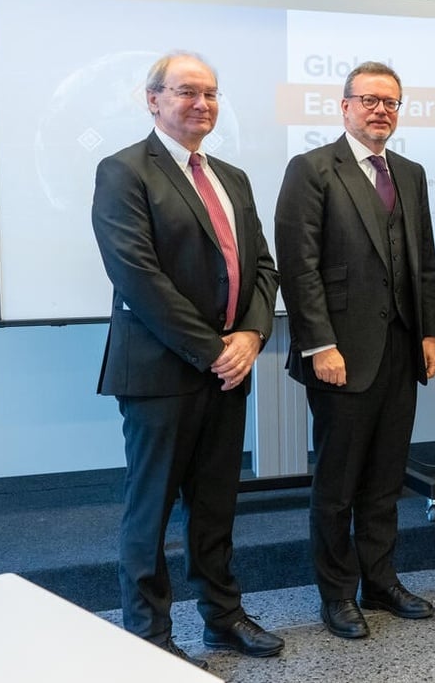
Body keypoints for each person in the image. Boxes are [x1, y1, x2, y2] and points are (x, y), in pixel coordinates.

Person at [91, 52, 284, 668]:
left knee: (216, 506)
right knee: (149, 512)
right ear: (153, 99)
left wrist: (251, 337)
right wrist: (212, 351)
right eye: (186, 92)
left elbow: (261, 267)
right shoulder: (123, 171)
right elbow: (137, 277)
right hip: (161, 372)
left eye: (211, 93)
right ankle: (147, 636)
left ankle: (222, 618)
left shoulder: (232, 176)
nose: (202, 104)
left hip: (230, 365)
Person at [275, 62, 435, 639]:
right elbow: (298, 267)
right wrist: (320, 342)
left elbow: (421, 258)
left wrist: (428, 332)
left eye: (391, 103)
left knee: (385, 476)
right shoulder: (313, 169)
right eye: (369, 100)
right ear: (344, 106)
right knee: (338, 481)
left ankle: (381, 579)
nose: (380, 110)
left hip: (400, 348)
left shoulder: (412, 173)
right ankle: (336, 594)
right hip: (340, 352)